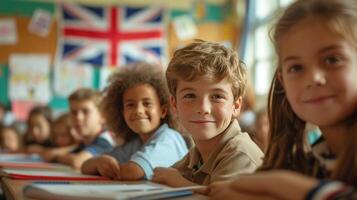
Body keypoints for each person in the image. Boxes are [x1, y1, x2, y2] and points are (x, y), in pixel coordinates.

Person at [208, 0, 357, 199]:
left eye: (332, 59)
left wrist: (275, 182)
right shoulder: (316, 157)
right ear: (282, 80)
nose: (313, 78)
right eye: (296, 68)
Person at [151, 40, 263, 187]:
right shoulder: (197, 154)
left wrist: (175, 181)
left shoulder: (240, 154)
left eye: (217, 96)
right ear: (174, 104)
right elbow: (162, 176)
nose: (203, 108)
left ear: (236, 106)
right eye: (190, 96)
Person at [81, 62, 188, 180]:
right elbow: (85, 167)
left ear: (163, 111)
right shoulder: (136, 144)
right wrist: (98, 161)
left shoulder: (168, 139)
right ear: (122, 113)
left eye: (147, 103)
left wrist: (104, 166)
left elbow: (131, 172)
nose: (138, 110)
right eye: (130, 104)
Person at [56, 88, 115, 169]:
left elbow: (77, 162)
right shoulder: (85, 142)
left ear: (102, 116)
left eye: (85, 111)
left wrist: (58, 156)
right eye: (74, 112)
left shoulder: (105, 139)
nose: (78, 117)